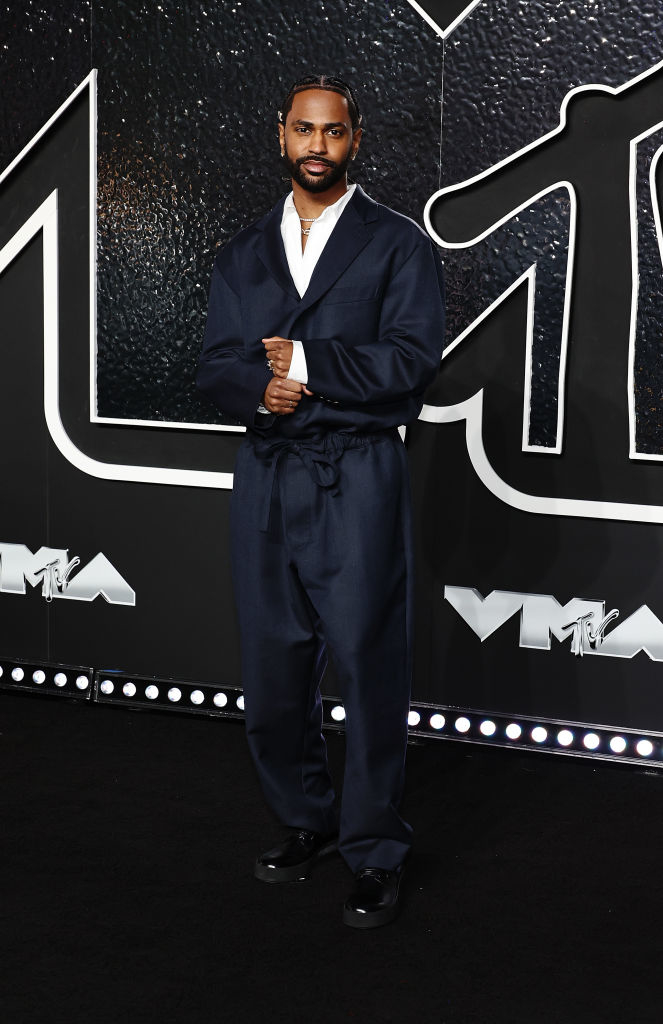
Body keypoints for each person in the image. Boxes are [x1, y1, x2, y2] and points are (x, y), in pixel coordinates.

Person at [196, 73, 444, 928]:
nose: (316, 146)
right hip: (266, 476)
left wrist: (302, 366)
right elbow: (216, 366)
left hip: (356, 474)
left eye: (332, 132)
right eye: (303, 130)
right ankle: (305, 820)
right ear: (280, 136)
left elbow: (411, 363)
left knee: (368, 668)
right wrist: (253, 393)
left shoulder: (396, 245)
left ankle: (374, 848)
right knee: (272, 673)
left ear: (355, 139)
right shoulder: (242, 249)